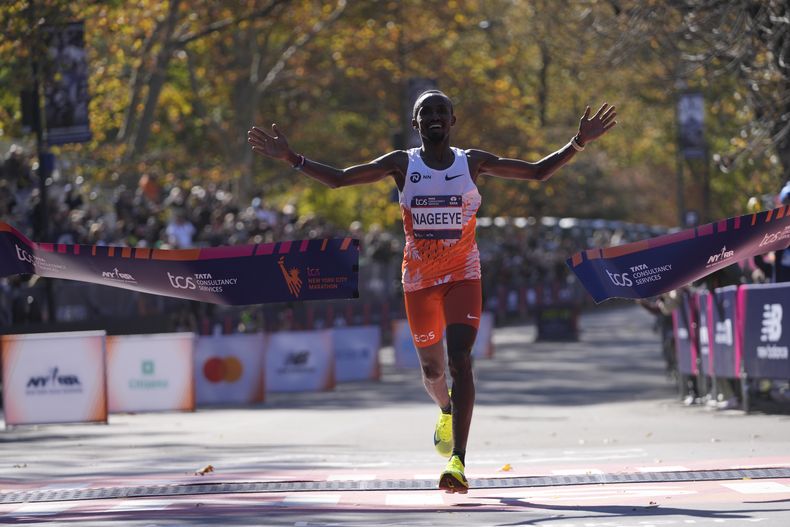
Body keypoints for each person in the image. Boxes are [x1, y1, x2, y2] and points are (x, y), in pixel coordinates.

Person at [248, 90, 616, 493]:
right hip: (419, 280)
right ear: (416, 123)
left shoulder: (471, 162)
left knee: (460, 359)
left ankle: (458, 460)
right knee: (433, 370)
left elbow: (536, 172)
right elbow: (339, 179)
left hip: (464, 274)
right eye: (427, 112)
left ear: (453, 120)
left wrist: (577, 142)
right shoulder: (401, 164)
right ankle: (445, 407)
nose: (436, 117)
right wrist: (292, 159)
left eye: (442, 111)